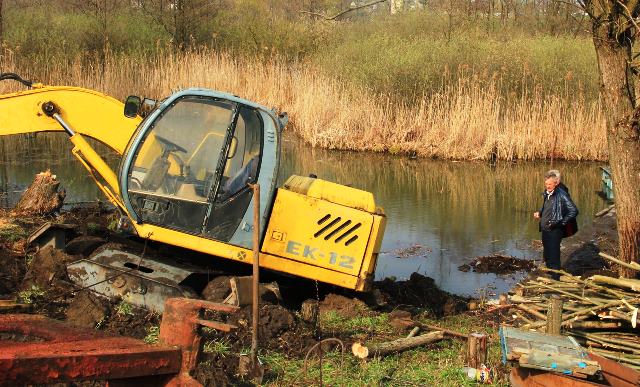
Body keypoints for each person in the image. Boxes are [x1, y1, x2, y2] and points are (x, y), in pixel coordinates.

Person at [533, 170, 579, 278]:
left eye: (549, 184)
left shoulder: (561, 194)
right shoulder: (547, 194)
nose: (547, 186)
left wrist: (561, 222)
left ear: (556, 183)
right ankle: (550, 273)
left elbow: (574, 211)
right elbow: (548, 208)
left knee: (554, 255)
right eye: (546, 184)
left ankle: (555, 278)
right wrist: (540, 213)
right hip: (545, 229)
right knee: (548, 254)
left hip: (555, 230)